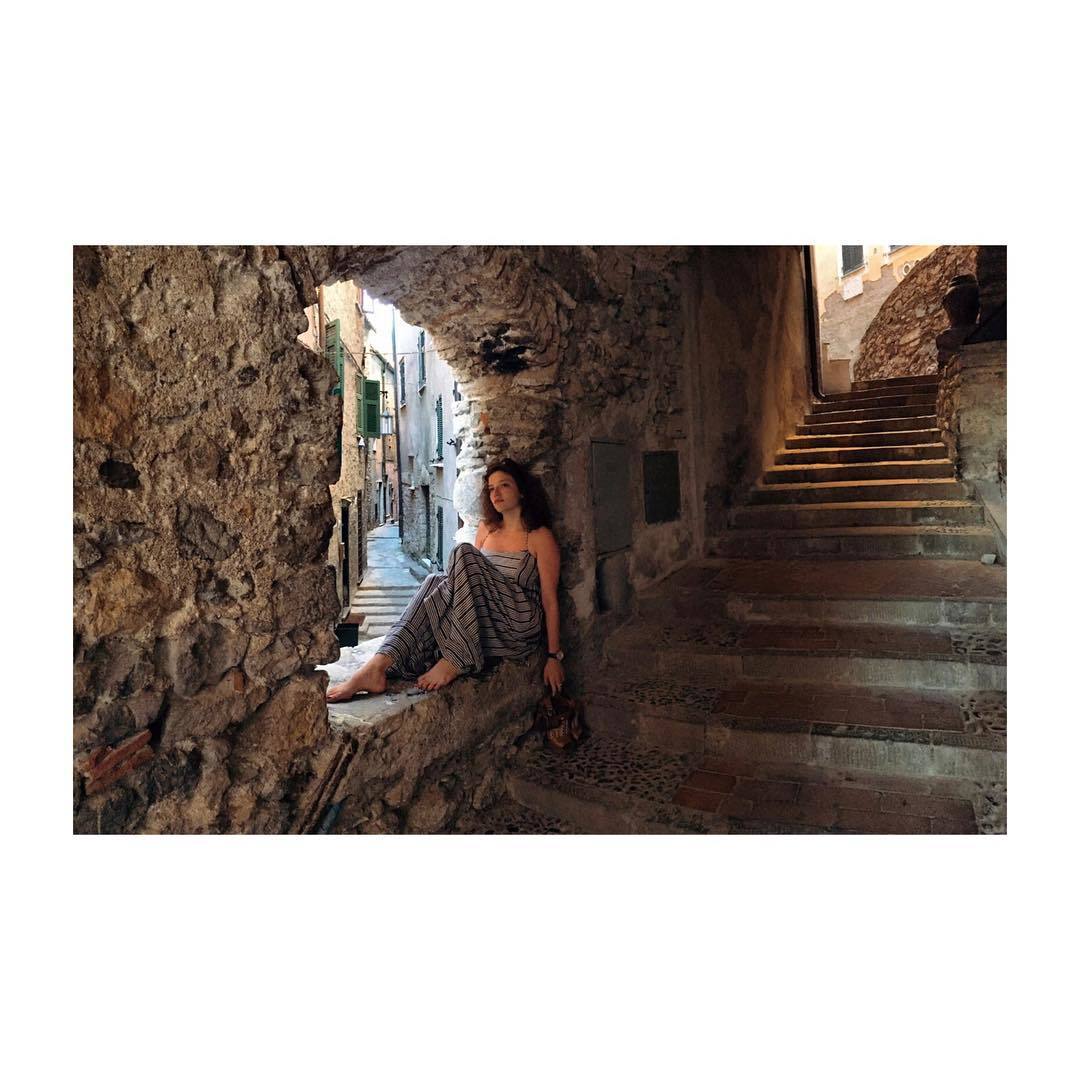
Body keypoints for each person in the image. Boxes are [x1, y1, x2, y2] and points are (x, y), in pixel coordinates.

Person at [325, 459, 565, 701]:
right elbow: (468, 587)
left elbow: (549, 600)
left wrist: (553, 656)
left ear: (521, 491)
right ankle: (377, 665)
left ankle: (456, 658)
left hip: (518, 622)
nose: (496, 494)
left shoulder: (539, 537)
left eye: (504, 485)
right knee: (434, 580)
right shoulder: (487, 529)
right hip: (488, 620)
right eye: (491, 488)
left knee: (464, 553)